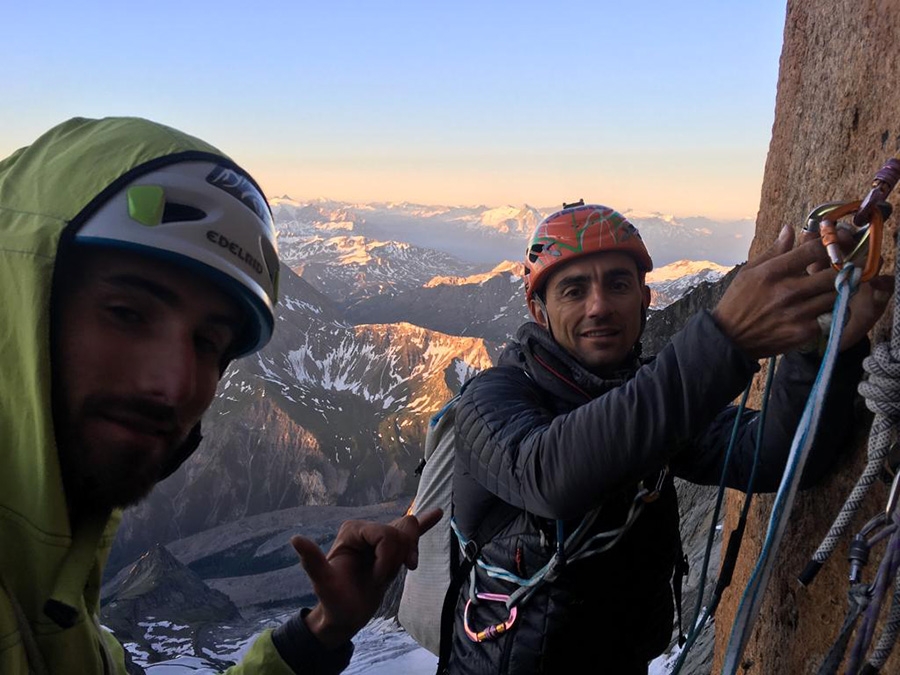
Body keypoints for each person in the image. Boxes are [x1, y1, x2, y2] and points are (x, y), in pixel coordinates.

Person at [0, 116, 440, 675]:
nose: (174, 383)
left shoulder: (55, 601)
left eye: (208, 342)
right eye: (127, 314)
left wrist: (321, 633)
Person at [447, 201, 894, 674]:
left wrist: (818, 348)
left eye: (618, 284)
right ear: (539, 311)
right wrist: (725, 339)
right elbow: (548, 476)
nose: (598, 306)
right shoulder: (491, 400)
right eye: (574, 290)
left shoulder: (648, 401)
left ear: (645, 298)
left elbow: (773, 455)